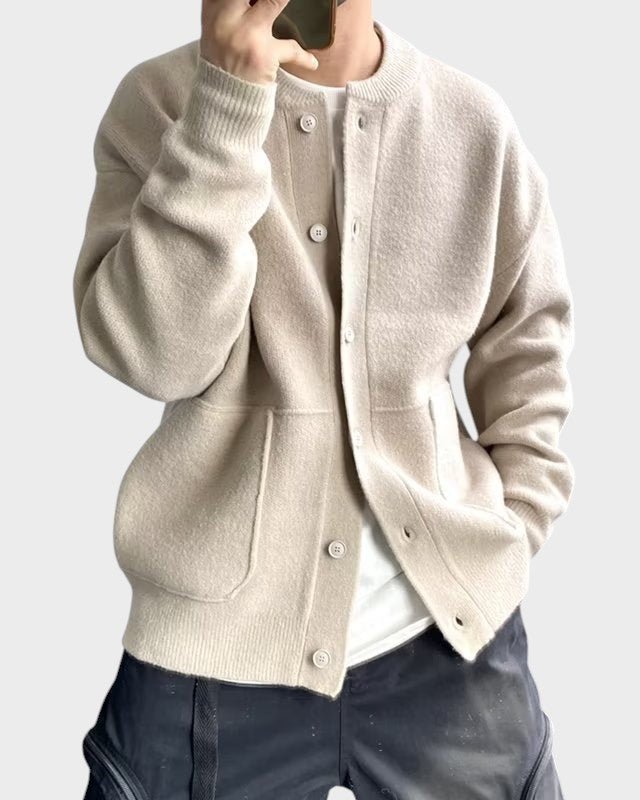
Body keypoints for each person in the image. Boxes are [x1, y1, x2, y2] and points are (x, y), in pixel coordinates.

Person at [72, 0, 574, 797]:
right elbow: (153, 355)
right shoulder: (162, 103)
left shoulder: (471, 120)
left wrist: (513, 524)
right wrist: (226, 107)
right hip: (211, 652)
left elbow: (529, 339)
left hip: (449, 640)